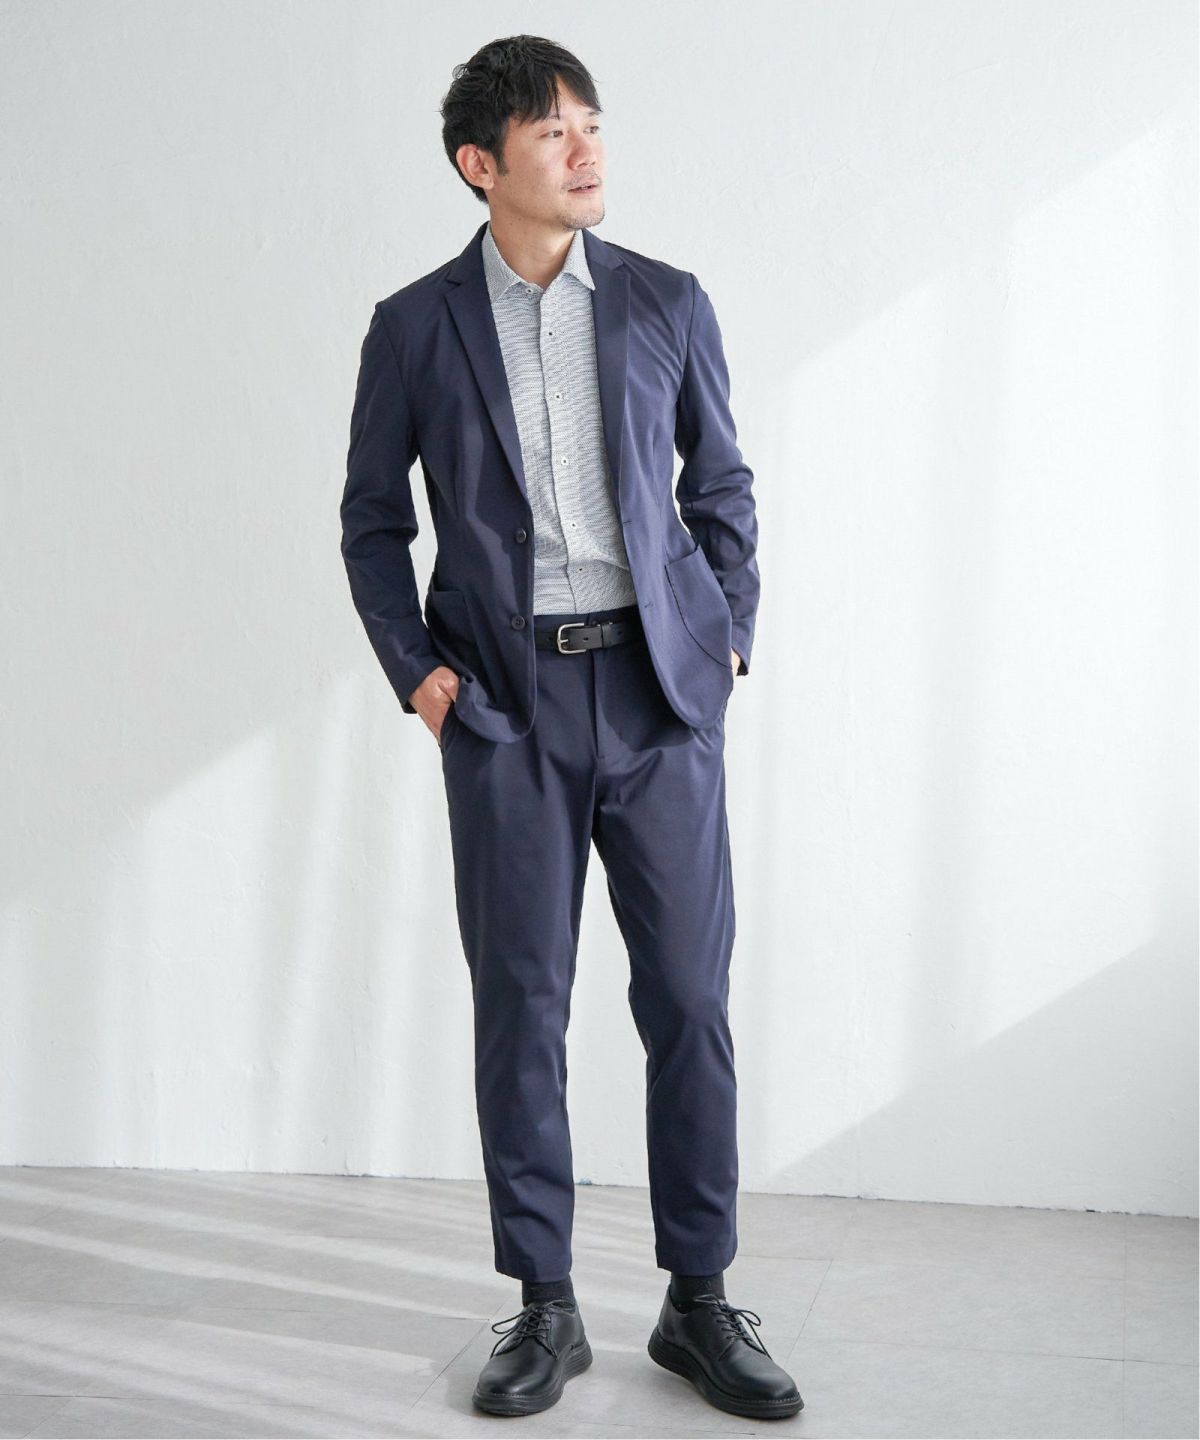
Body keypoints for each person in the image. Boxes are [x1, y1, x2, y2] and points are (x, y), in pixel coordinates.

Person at [339, 33, 803, 1422]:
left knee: (691, 1002)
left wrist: (725, 635)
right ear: (480, 165)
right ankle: (545, 1304)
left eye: (592, 123)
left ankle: (699, 1300)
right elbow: (371, 523)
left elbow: (723, 487)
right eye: (554, 132)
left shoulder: (666, 300)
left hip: (660, 702)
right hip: (506, 709)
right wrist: (422, 679)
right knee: (522, 1007)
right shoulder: (414, 328)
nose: (587, 150)